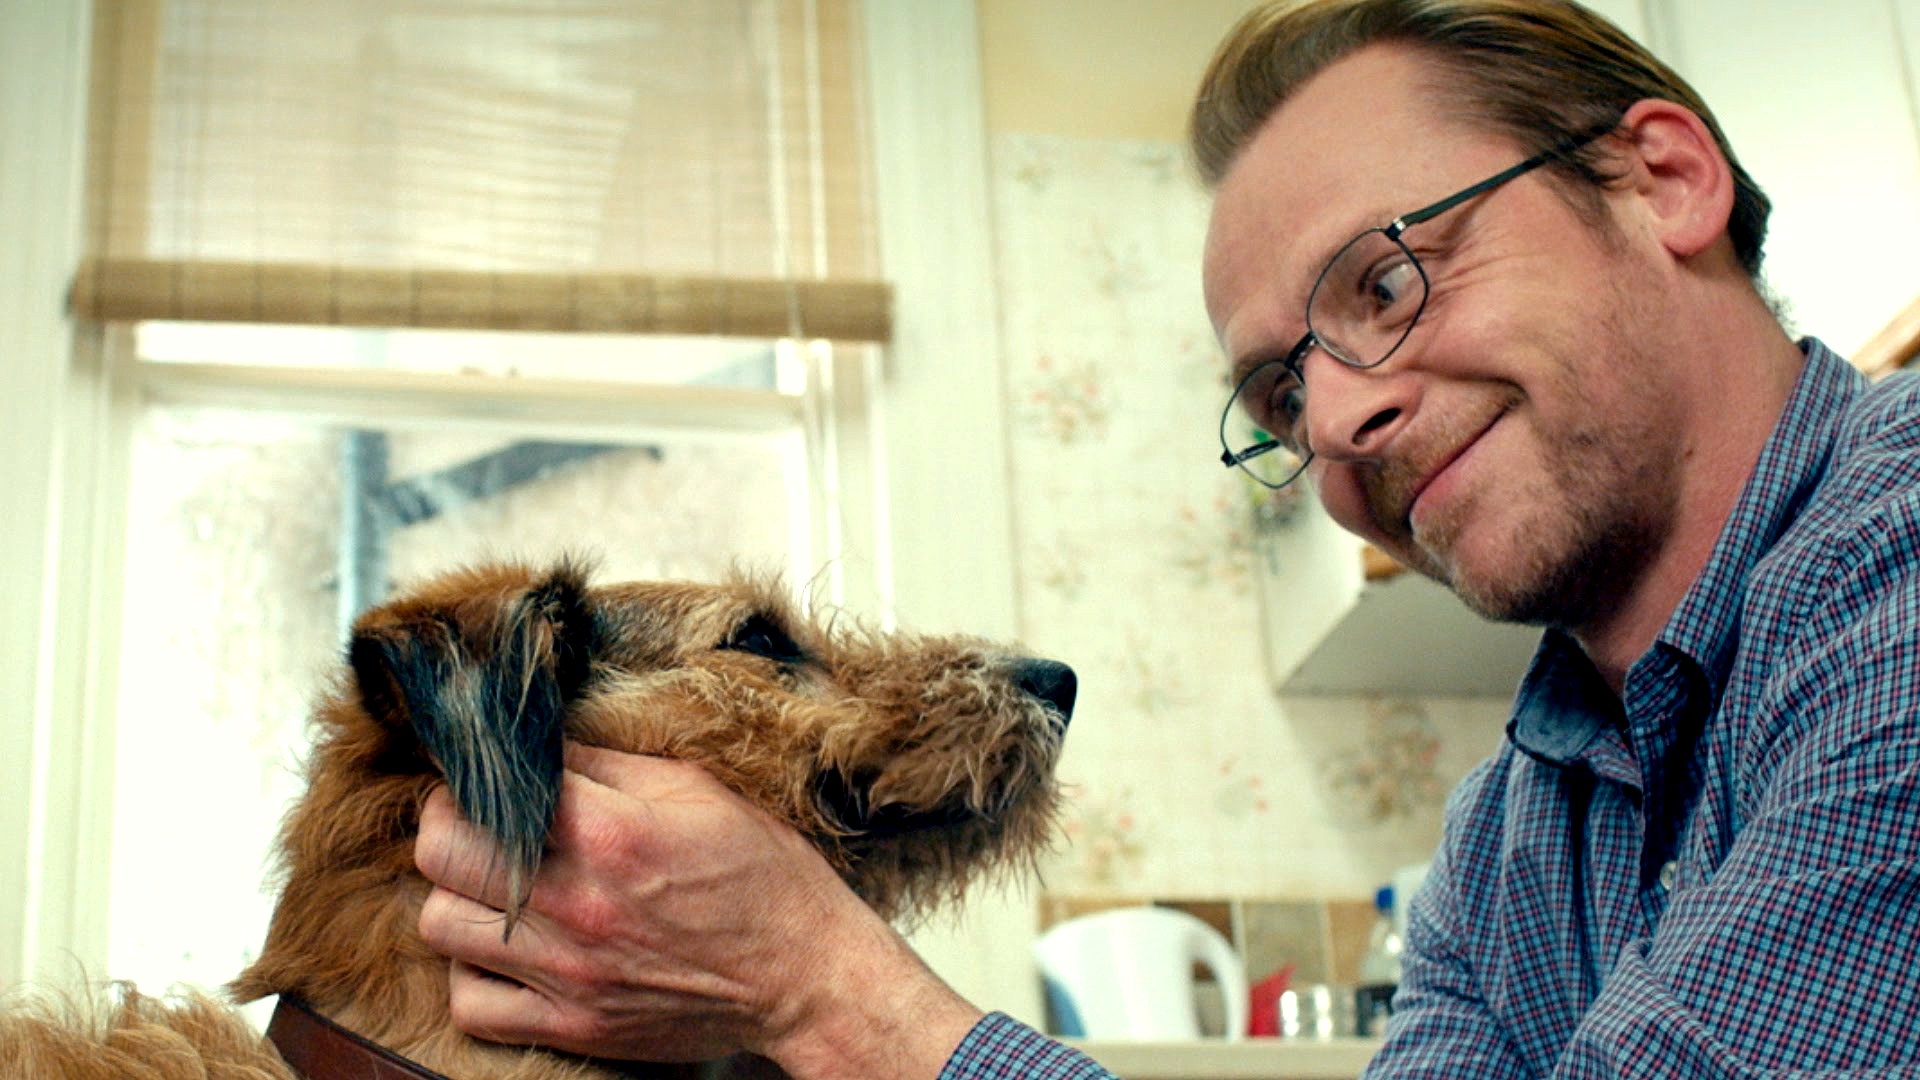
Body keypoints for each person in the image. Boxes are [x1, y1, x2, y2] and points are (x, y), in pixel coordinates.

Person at [411, 0, 1920, 1075]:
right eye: (1281, 393)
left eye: (1385, 285)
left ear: (1663, 179)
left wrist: (827, 993)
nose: (1339, 421)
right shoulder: (1501, 852)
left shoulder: (1898, 558)